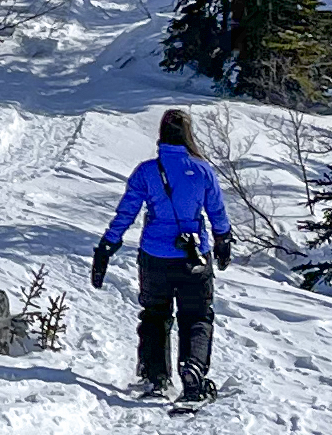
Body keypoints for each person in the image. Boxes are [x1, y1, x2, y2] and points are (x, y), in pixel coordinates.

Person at [94, 107, 234, 405]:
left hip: (155, 256)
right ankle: (193, 369)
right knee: (196, 316)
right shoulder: (202, 170)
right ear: (188, 135)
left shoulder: (146, 171)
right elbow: (217, 212)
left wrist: (107, 246)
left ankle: (155, 376)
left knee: (155, 315)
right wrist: (223, 240)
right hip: (193, 257)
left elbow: (126, 213)